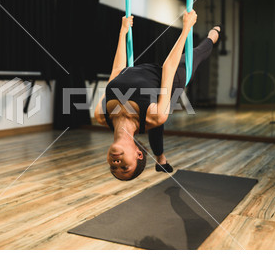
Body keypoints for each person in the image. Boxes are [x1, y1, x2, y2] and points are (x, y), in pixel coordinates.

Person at [94, 10, 220, 181]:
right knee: (197, 53)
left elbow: (116, 71)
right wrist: (186, 29)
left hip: (139, 72)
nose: (117, 163)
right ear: (139, 154)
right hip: (166, 79)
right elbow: (169, 67)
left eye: (113, 167)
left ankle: (161, 159)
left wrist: (122, 31)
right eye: (124, 167)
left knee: (152, 123)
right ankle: (213, 37)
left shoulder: (101, 116)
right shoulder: (155, 116)